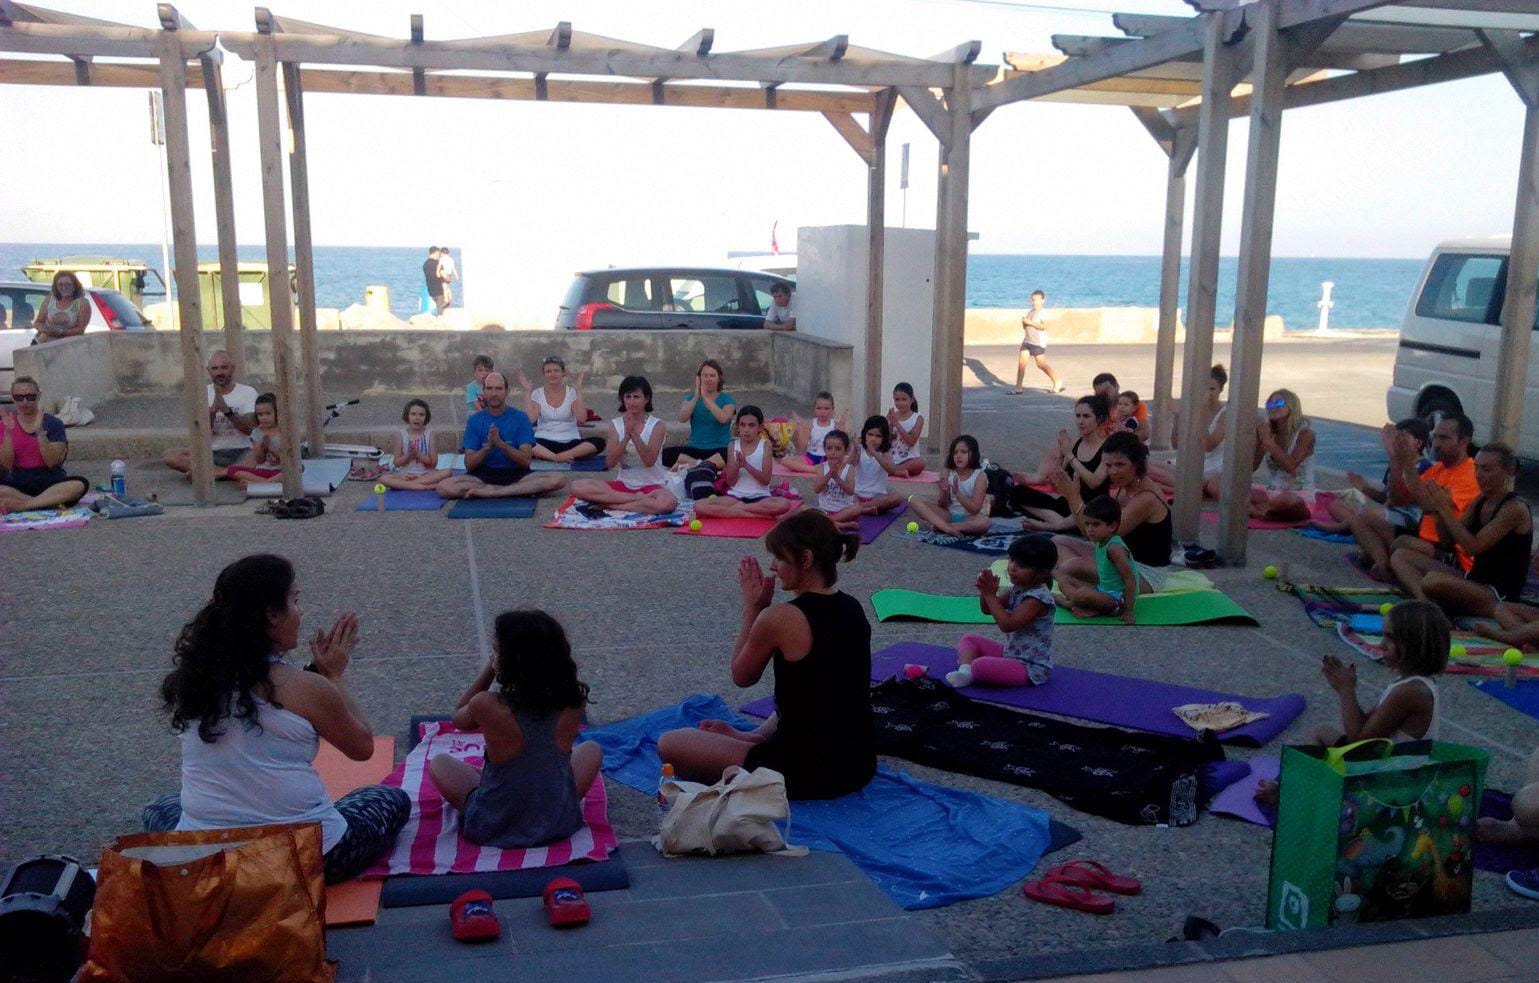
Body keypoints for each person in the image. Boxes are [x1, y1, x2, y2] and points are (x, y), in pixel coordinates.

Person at [141, 555, 409, 885]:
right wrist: (335, 676)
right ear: (271, 616)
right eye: (295, 601)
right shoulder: (306, 686)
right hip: (301, 859)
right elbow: (362, 746)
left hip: (209, 862)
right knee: (391, 799)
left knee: (159, 807)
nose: (300, 612)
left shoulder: (193, 681)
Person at [657, 510, 876, 800]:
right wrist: (749, 737)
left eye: (780, 558)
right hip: (858, 765)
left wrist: (753, 607)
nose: (773, 567)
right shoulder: (853, 608)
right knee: (813, 687)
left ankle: (756, 747)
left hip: (804, 771)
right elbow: (821, 696)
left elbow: (741, 675)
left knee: (670, 743)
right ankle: (755, 739)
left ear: (806, 559)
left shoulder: (779, 617)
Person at [428, 610, 602, 848]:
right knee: (591, 749)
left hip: (492, 825)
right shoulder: (572, 702)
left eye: (497, 651)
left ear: (510, 662)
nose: (493, 655)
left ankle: (492, 786)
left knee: (439, 763)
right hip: (560, 822)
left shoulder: (486, 704)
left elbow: (458, 717)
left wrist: (490, 669)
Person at [1255, 601, 1448, 806]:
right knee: (1321, 732)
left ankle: (1294, 796)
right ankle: (1297, 789)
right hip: (1387, 764)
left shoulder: (1410, 691)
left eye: (1390, 638)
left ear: (1414, 645)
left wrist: (1346, 691)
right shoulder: (1410, 684)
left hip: (1390, 784)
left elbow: (1359, 742)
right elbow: (1367, 725)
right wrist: (1347, 687)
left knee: (1320, 742)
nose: (1381, 644)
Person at [1389, 443, 1531, 618]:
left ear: (1509, 472)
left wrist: (1446, 510)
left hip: (1497, 592)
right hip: (1473, 579)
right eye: (1476, 468)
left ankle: (1432, 610)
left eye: (1486, 470)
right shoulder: (1481, 500)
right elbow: (1447, 541)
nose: (1479, 475)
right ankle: (1428, 606)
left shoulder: (1514, 508)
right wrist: (1438, 511)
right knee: (1401, 555)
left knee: (1432, 580)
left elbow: (1473, 547)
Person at [1350, 413, 1478, 584]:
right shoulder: (1437, 469)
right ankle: (1383, 564)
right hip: (1422, 538)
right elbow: (1398, 499)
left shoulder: (1470, 473)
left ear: (1463, 442)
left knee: (1403, 545)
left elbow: (1428, 504)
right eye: (1436, 437)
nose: (1437, 444)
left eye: (1444, 438)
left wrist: (1408, 465)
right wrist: (1396, 460)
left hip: (1447, 548)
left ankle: (1388, 564)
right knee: (1360, 519)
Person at [1051, 431, 1171, 594]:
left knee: (1074, 565)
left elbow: (1097, 535)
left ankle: (1070, 579)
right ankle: (1072, 579)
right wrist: (1070, 500)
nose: (1113, 471)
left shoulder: (1146, 498)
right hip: (1119, 558)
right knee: (1057, 541)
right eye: (1108, 466)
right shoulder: (1125, 488)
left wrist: (1074, 497)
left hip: (1144, 575)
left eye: (1120, 465)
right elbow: (1091, 523)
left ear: (1137, 464)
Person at [946, 535, 1058, 688]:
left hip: (1029, 667)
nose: (1012, 567)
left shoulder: (1037, 599)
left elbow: (1007, 624)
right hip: (1011, 653)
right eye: (1012, 560)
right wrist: (985, 591)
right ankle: (965, 672)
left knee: (980, 665)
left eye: (1022, 565)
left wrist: (990, 594)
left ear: (1043, 573)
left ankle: (972, 671)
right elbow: (987, 609)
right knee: (970, 639)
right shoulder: (1017, 589)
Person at [436, 372, 566, 500]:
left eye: (498, 389)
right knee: (444, 486)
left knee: (558, 479)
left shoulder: (520, 418)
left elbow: (526, 461)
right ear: (484, 392)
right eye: (489, 388)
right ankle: (513, 491)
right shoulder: (475, 420)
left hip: (517, 475)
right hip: (482, 476)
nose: (494, 393)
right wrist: (488, 447)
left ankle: (496, 493)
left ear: (506, 391)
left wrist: (502, 445)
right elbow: (469, 465)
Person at [569, 376, 680, 515]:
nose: (632, 402)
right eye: (628, 397)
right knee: (577, 486)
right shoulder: (616, 425)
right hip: (624, 486)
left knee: (668, 503)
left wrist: (634, 434)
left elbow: (649, 461)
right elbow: (610, 463)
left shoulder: (657, 425)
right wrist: (626, 437)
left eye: (636, 397)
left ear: (646, 399)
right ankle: (636, 501)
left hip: (652, 486)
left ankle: (614, 506)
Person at [1314, 418, 1432, 535]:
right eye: (1396, 438)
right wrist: (1365, 488)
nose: (1397, 442)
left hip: (1411, 517)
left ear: (1418, 443)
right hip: (1392, 512)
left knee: (1367, 514)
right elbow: (1386, 497)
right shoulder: (1395, 463)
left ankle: (1340, 528)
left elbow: (1399, 500)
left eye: (1403, 437)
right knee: (1334, 504)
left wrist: (1393, 456)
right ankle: (1353, 525)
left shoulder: (1424, 467)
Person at [1009, 395, 1109, 530]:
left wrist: (1069, 456)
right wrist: (1061, 456)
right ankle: (1059, 522)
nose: (1080, 421)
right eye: (1078, 416)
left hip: (1091, 508)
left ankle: (1057, 525)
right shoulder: (1074, 445)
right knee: (1017, 492)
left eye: (1086, 416)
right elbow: (1057, 483)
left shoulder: (1107, 448)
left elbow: (1094, 482)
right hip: (1068, 505)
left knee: (1091, 516)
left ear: (1100, 419)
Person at [0, 375, 89, 513]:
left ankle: (23, 505)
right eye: (19, 397)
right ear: (12, 398)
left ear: (38, 396)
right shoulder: (5, 425)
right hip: (16, 482)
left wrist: (40, 432)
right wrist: (8, 434)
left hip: (49, 481)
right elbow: (6, 464)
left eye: (30, 397)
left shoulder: (54, 424)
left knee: (80, 484)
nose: (25, 402)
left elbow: (52, 462)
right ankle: (46, 502)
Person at [163, 350, 257, 478]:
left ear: (232, 368)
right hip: (211, 453)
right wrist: (212, 412)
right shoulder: (202, 393)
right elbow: (201, 433)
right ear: (209, 370)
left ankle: (216, 474)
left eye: (224, 367)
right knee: (171, 457)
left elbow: (248, 429)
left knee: (258, 457)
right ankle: (227, 473)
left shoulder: (248, 392)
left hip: (242, 451)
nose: (219, 372)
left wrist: (227, 412)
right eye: (215, 368)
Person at [694, 406, 796, 521]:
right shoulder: (733, 446)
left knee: (784, 504)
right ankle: (752, 514)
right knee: (698, 506)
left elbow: (765, 480)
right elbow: (731, 482)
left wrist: (746, 465)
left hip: (761, 497)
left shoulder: (765, 445)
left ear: (760, 427)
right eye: (743, 425)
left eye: (751, 425)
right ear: (738, 427)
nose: (746, 430)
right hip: (736, 496)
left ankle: (740, 510)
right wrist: (737, 466)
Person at [1055, 495, 1140, 625]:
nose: (1090, 529)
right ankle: (1088, 606)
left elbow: (1130, 579)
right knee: (1064, 580)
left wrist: (1128, 611)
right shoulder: (1100, 542)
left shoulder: (1114, 548)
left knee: (1083, 594)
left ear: (1112, 526)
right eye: (1087, 524)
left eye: (1095, 524)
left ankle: (1067, 603)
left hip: (1118, 599)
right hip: (1102, 590)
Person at [517, 356, 604, 462]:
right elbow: (531, 419)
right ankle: (556, 457)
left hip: (570, 442)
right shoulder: (537, 393)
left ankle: (563, 455)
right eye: (548, 371)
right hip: (544, 441)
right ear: (544, 374)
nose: (552, 374)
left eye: (556, 371)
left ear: (563, 373)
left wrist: (578, 391)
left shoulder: (572, 392)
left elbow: (581, 419)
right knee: (523, 443)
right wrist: (527, 392)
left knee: (599, 442)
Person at [1248, 389, 1316, 523]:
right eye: (1269, 404)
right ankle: (1268, 511)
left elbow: (1291, 466)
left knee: (1287, 500)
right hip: (1272, 493)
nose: (1273, 407)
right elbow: (1252, 467)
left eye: (1279, 403)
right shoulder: (1269, 433)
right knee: (1235, 491)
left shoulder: (1305, 434)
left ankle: (1263, 511)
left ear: (1292, 406)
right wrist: (1257, 440)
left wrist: (1268, 442)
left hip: (1299, 497)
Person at [908, 435, 992, 537]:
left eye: (963, 452)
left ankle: (946, 527)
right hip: (949, 515)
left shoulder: (979, 476)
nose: (958, 456)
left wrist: (957, 493)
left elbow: (975, 509)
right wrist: (944, 492)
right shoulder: (947, 472)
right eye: (955, 452)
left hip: (969, 518)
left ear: (973, 454)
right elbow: (943, 506)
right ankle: (946, 527)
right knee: (913, 499)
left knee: (985, 522)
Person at [663, 359, 736, 468]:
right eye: (705, 375)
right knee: (665, 454)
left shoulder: (727, 400)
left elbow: (723, 418)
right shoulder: (691, 398)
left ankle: (693, 464)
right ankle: (701, 464)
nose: (708, 379)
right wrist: (697, 396)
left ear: (719, 378)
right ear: (699, 378)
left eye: (712, 375)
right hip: (694, 449)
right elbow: (682, 418)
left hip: (719, 450)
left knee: (731, 455)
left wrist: (705, 397)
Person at [1171, 364, 1228, 500]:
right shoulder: (1193, 410)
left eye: (1212, 389)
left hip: (1213, 465)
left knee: (1154, 474)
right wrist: (1178, 417)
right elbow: (1176, 444)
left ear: (1220, 389)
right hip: (1191, 462)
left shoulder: (1225, 413)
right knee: (1145, 468)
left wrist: (1201, 413)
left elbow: (1209, 445)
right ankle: (1196, 490)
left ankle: (1194, 488)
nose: (1207, 393)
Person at [381, 398, 452, 490]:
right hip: (406, 475)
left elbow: (433, 463)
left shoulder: (430, 434)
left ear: (426, 417)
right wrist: (408, 456)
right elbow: (397, 463)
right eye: (413, 414)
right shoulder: (400, 435)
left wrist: (418, 454)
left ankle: (409, 485)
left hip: (426, 474)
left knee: (448, 472)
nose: (417, 418)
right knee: (383, 478)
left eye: (421, 415)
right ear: (407, 416)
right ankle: (422, 487)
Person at [225, 392, 285, 485]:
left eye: (268, 414)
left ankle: (263, 483)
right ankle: (265, 482)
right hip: (264, 470)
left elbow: (287, 459)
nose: (264, 418)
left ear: (276, 413)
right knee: (232, 470)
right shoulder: (257, 432)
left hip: (281, 471)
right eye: (260, 415)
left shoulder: (284, 431)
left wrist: (270, 447)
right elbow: (259, 460)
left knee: (300, 468)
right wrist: (260, 447)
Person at [851, 415, 906, 516]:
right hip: (857, 494)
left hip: (877, 496)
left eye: (878, 436)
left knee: (897, 498)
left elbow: (891, 470)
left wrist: (873, 451)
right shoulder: (860, 448)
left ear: (884, 437)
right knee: (843, 493)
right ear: (864, 434)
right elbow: (849, 465)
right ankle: (863, 509)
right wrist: (855, 450)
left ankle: (860, 508)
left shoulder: (885, 452)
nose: (873, 439)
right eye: (870, 435)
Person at [781, 391, 847, 475]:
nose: (822, 412)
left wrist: (842, 425)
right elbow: (802, 445)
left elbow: (842, 443)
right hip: (811, 457)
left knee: (846, 461)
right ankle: (813, 469)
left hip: (830, 458)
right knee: (784, 461)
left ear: (832, 409)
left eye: (826, 408)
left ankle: (823, 468)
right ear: (814, 409)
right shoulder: (811, 424)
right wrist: (797, 422)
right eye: (819, 408)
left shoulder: (835, 425)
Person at [1011, 290, 1063, 395]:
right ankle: (1018, 387)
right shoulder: (1030, 312)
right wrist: (1024, 322)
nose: (1034, 302)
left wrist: (1029, 322)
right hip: (1027, 341)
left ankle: (1057, 381)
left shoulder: (1042, 312)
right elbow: (1026, 327)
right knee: (1022, 364)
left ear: (1043, 300)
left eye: (1037, 300)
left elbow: (1044, 326)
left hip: (1038, 343)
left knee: (1041, 364)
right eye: (1033, 300)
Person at [811, 429, 859, 531]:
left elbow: (850, 491)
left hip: (843, 511)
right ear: (824, 450)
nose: (833, 452)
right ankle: (839, 524)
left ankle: (827, 522)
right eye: (829, 448)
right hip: (824, 510)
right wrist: (829, 474)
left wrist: (837, 478)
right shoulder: (821, 467)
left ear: (845, 450)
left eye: (838, 449)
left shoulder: (849, 468)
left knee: (856, 509)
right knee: (803, 509)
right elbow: (817, 489)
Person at [31, 271, 90, 342]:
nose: (64, 287)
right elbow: (38, 322)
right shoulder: (50, 300)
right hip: (43, 343)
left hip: (67, 345)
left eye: (68, 284)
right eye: (60, 284)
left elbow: (80, 330)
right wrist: (45, 329)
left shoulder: (82, 303)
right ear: (56, 286)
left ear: (75, 286)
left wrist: (60, 332)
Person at [885, 383, 926, 477]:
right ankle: (895, 471)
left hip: (908, 460)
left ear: (911, 400)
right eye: (897, 400)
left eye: (904, 399)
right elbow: (885, 442)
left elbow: (911, 441)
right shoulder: (891, 415)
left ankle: (892, 471)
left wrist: (897, 424)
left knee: (920, 462)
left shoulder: (918, 418)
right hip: (890, 459)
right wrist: (890, 425)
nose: (900, 403)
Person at [423, 246, 446, 315]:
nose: (439, 256)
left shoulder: (425, 264)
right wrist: (449, 278)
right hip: (440, 290)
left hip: (431, 291)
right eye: (438, 254)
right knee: (442, 311)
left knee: (439, 308)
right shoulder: (437, 264)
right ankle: (441, 323)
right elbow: (444, 275)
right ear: (435, 253)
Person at [436, 246, 458, 312]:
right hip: (449, 275)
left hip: (444, 274)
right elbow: (453, 268)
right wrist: (456, 275)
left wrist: (437, 272)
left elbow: (439, 266)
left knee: (444, 287)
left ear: (442, 253)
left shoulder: (442, 259)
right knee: (447, 287)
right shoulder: (451, 259)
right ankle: (450, 298)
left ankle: (446, 300)